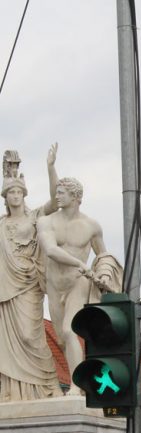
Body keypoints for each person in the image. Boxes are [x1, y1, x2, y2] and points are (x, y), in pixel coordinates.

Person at [38, 177, 121, 387]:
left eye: (61, 192)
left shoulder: (91, 226)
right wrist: (79, 262)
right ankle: (80, 379)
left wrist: (103, 274)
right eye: (56, 192)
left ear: (75, 197)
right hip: (55, 284)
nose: (56, 196)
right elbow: (50, 250)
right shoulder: (47, 222)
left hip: (78, 282)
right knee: (61, 338)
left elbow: (103, 256)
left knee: (69, 330)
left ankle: (77, 386)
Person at [0, 145, 61, 401]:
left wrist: (50, 168)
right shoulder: (1, 224)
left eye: (18, 191)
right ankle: (11, 390)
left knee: (30, 336)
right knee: (5, 342)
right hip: (5, 286)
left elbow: (56, 202)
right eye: (10, 192)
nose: (15, 195)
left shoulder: (35, 216)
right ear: (5, 196)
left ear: (24, 195)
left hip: (28, 283)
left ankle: (50, 384)